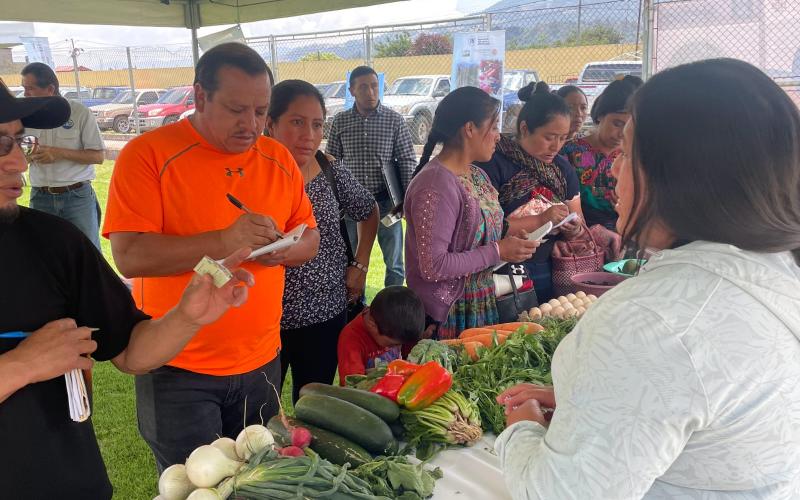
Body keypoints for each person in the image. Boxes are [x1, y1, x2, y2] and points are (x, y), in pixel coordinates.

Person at [495, 59, 800, 498]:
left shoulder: (649, 321)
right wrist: (599, 400)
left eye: (628, 153)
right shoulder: (777, 267)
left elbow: (560, 492)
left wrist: (520, 430)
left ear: (675, 176)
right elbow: (717, 406)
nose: (615, 170)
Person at [0, 82, 254, 499]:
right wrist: (21, 366)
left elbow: (131, 351)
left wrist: (187, 315)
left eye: (19, 141)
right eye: (0, 143)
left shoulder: (54, 241)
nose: (18, 162)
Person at [103, 43, 320, 472]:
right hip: (178, 365)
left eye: (260, 111)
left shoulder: (276, 157)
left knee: (257, 478)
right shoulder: (147, 155)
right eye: (237, 109)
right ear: (200, 97)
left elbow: (310, 237)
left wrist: (285, 250)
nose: (252, 124)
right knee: (195, 485)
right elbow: (129, 255)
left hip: (261, 360)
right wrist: (222, 240)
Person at [266, 79, 379, 403]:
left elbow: (367, 210)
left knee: (313, 405)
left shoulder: (328, 168)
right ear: (270, 124)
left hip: (324, 312)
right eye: (297, 122)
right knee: (260, 413)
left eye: (317, 124)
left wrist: (360, 263)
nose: (309, 134)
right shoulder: (251, 172)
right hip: (266, 320)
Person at [404, 87, 541, 340]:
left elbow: (477, 231)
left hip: (479, 303)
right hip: (447, 314)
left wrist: (510, 237)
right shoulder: (435, 184)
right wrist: (498, 251)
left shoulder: (476, 174)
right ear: (469, 129)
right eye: (494, 127)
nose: (498, 137)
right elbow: (434, 266)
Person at [477, 82, 583, 303]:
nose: (556, 146)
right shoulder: (493, 164)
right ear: (524, 128)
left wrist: (573, 229)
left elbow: (578, 222)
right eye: (549, 137)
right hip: (501, 267)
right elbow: (484, 228)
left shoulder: (562, 170)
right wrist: (542, 219)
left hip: (548, 266)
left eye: (563, 138)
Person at [326, 65, 417, 288]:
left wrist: (405, 200)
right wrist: (333, 200)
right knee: (353, 261)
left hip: (387, 202)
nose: (370, 92)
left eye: (375, 86)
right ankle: (357, 306)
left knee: (394, 263)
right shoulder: (341, 121)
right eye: (363, 87)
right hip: (352, 206)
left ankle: (391, 310)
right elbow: (331, 162)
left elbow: (406, 160)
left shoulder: (394, 121)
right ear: (352, 91)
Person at [21, 62, 106, 249]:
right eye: (23, 88)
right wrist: (27, 155)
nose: (25, 94)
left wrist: (58, 153)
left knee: (87, 254)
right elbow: (21, 153)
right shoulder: (24, 116)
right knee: (45, 256)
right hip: (40, 197)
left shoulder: (79, 112)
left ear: (50, 88)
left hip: (77, 197)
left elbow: (98, 156)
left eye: (30, 89)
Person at [560, 75, 642, 230]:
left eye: (630, 126)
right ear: (599, 115)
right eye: (617, 123)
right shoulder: (569, 152)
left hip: (623, 226)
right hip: (579, 229)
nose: (622, 133)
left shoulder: (634, 157)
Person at [337, 286, 425, 384]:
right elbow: (353, 386)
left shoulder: (392, 325)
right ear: (372, 325)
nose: (398, 347)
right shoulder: (351, 339)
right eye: (393, 345)